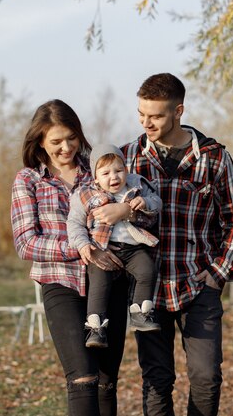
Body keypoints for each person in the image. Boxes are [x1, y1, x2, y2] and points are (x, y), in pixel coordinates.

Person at [93, 73, 233, 416]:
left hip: (198, 285)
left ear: (178, 111)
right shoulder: (123, 159)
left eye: (156, 115)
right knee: (156, 381)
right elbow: (91, 209)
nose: (146, 122)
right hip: (145, 291)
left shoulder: (213, 157)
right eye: (141, 114)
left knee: (206, 375)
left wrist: (219, 272)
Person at [11, 100, 129, 416]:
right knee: (80, 376)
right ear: (40, 143)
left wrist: (124, 212)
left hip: (107, 285)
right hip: (59, 285)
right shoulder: (28, 181)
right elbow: (26, 242)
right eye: (56, 142)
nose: (65, 148)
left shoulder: (99, 172)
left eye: (71, 138)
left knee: (105, 381)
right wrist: (79, 247)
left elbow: (129, 217)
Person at [67, 143, 162, 349]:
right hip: (101, 248)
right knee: (99, 285)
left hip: (134, 247)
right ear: (96, 178)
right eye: (106, 173)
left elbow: (157, 202)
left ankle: (140, 312)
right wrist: (83, 245)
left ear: (126, 170)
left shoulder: (137, 186)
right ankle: (95, 329)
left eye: (119, 170)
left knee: (148, 270)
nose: (114, 177)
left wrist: (145, 203)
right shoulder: (86, 194)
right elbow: (74, 223)